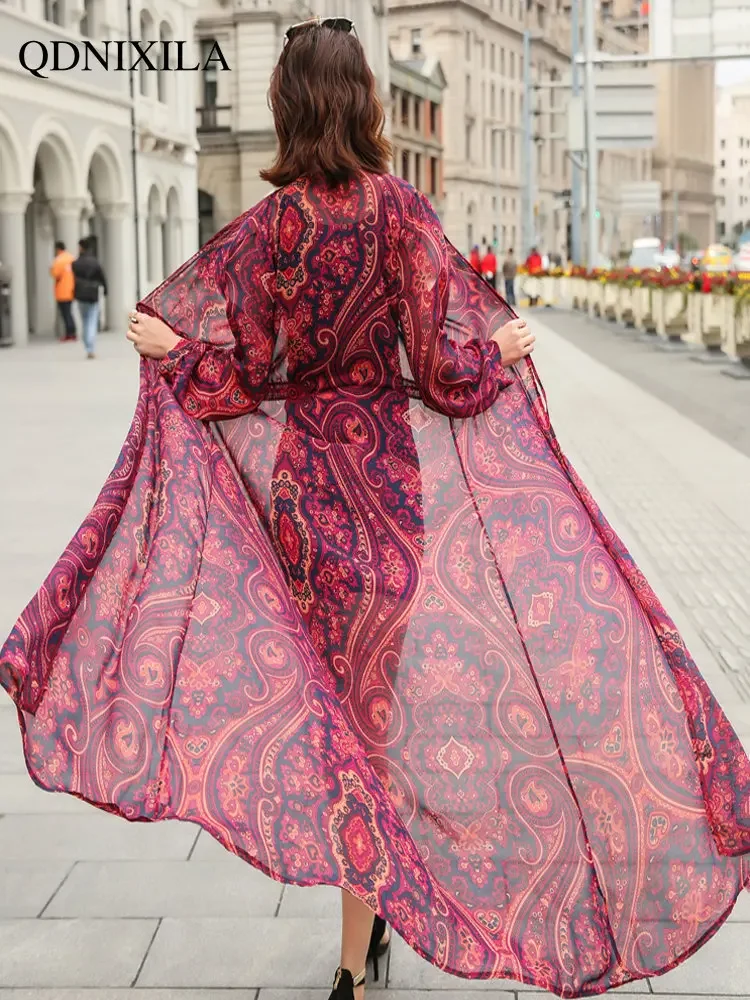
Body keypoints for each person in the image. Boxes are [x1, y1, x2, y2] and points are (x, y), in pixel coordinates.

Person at [2, 17, 748, 1000]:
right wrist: (504, 352)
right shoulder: (399, 213)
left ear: (287, 107)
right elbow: (446, 370)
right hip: (390, 503)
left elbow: (239, 375)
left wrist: (168, 349)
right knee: (373, 720)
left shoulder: (267, 230)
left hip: (304, 504)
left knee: (334, 721)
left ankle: (360, 952)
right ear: (363, 103)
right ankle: (360, 951)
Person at [72, 237, 107, 360]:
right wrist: (105, 290)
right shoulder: (94, 262)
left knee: (85, 320)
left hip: (81, 294)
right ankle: (90, 347)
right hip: (93, 293)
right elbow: (102, 277)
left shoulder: (76, 263)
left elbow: (73, 279)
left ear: (81, 247)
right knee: (91, 320)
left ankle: (87, 344)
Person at [50, 240, 76, 341]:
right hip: (71, 290)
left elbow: (54, 273)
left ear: (57, 249)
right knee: (69, 312)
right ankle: (72, 332)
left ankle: (69, 333)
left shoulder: (59, 260)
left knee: (65, 314)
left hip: (61, 291)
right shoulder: (71, 258)